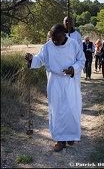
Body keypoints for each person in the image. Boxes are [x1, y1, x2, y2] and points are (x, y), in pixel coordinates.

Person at [25, 24, 85, 152]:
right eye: (53, 39)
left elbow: (81, 60)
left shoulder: (73, 44)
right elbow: (39, 59)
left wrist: (73, 69)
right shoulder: (48, 46)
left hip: (70, 81)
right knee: (57, 110)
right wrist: (31, 59)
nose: (54, 42)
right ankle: (60, 140)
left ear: (64, 35)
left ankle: (71, 135)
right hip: (55, 81)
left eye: (57, 39)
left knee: (71, 109)